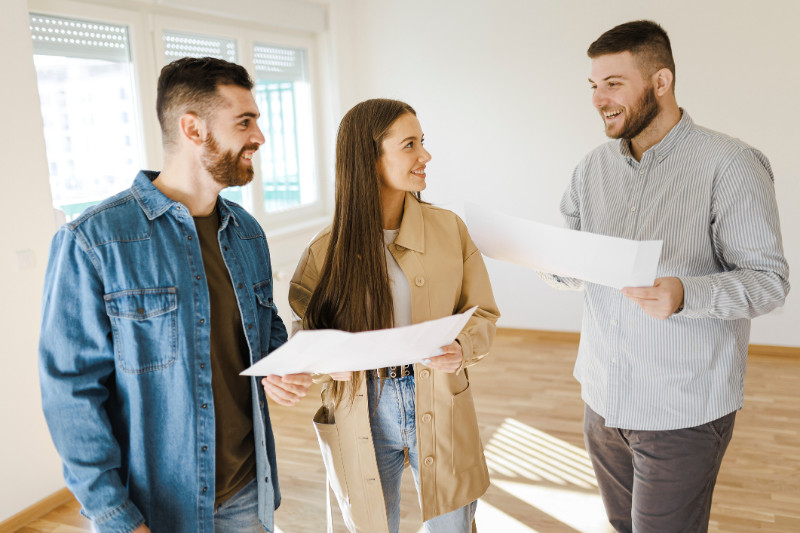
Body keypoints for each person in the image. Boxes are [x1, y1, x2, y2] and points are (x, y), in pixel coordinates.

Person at [38, 57, 312, 533]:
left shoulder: (246, 233)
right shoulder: (94, 241)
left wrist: (282, 369)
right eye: (245, 122)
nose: (259, 138)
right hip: (157, 510)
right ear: (192, 128)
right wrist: (114, 516)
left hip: (250, 492)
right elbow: (70, 393)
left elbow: (262, 340)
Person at [539, 20, 790, 532]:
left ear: (661, 82)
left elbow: (769, 281)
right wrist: (549, 262)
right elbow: (572, 262)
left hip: (683, 409)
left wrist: (684, 294)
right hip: (603, 401)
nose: (598, 99)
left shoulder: (730, 164)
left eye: (613, 83)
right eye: (593, 85)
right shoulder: (591, 169)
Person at [268, 98, 499, 532]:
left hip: (441, 399)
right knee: (372, 525)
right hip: (362, 408)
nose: (425, 155)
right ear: (369, 158)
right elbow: (303, 334)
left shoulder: (450, 230)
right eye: (409, 145)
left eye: (422, 142)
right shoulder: (325, 250)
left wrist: (462, 347)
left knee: (454, 525)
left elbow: (483, 315)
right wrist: (321, 361)